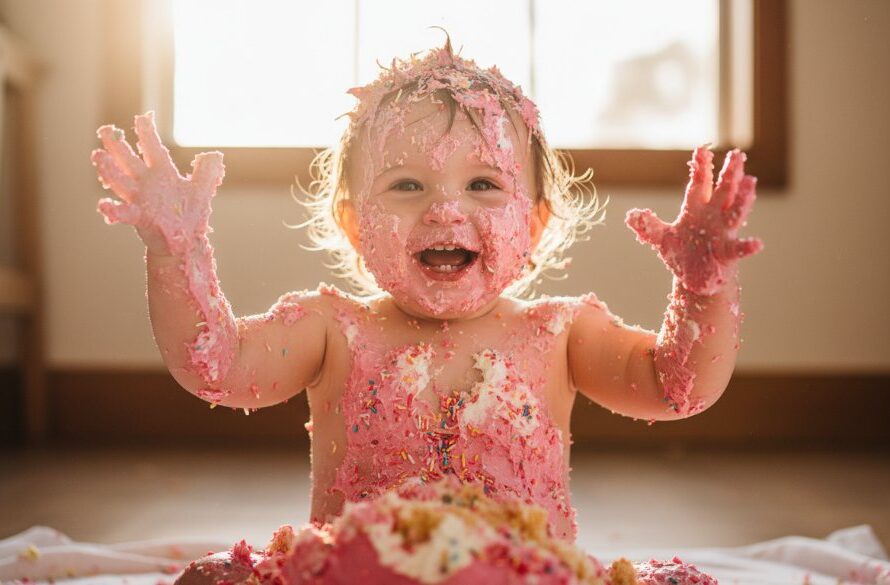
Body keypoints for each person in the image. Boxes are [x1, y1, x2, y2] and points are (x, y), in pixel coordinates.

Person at [91, 38, 760, 584]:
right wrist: (176, 252)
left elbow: (678, 387)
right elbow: (218, 365)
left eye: (483, 184)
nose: (445, 209)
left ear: (536, 221)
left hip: (521, 577)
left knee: (680, 579)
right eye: (406, 185)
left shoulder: (560, 332)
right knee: (210, 578)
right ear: (352, 225)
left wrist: (703, 289)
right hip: (358, 576)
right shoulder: (334, 328)